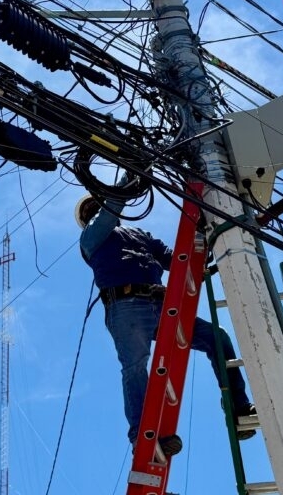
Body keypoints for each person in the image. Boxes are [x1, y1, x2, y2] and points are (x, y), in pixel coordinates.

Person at [76, 184, 256, 455]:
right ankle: (143, 435)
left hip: (160, 304)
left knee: (216, 337)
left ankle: (238, 407)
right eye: (89, 210)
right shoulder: (91, 238)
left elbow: (175, 260)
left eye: (95, 205)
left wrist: (205, 233)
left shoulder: (139, 234)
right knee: (135, 367)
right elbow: (111, 211)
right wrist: (127, 181)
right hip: (125, 306)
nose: (94, 211)